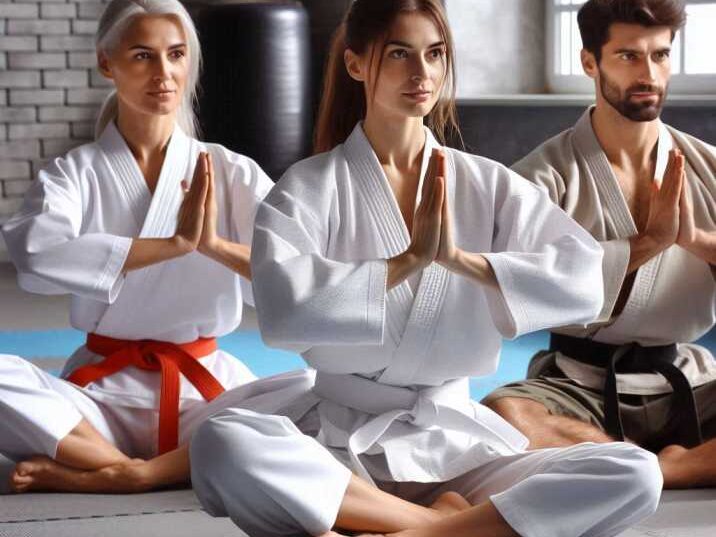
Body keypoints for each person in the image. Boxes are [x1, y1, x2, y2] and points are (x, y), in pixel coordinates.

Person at [189, 1, 663, 536]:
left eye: (434, 54)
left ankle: (415, 530)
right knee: (222, 442)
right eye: (399, 54)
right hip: (339, 445)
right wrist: (403, 263)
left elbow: (582, 277)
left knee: (635, 471)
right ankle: (441, 527)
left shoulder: (486, 183)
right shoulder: (309, 187)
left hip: (456, 445)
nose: (422, 74)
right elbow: (281, 305)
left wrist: (468, 263)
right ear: (356, 65)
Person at [0, 0, 298, 495]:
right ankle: (121, 463)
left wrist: (213, 245)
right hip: (96, 400)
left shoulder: (229, 171)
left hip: (206, 394)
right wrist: (169, 245)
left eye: (176, 54)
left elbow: (295, 272)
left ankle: (121, 474)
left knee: (312, 390)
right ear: (106, 62)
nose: (164, 73)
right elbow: (33, 253)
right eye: (142, 56)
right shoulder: (75, 173)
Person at [483, 0, 716, 490]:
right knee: (502, 416)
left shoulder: (707, 167)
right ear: (590, 61)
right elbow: (519, 295)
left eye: (660, 55)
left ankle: (646, 469)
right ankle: (681, 466)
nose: (649, 73)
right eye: (628, 56)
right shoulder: (540, 179)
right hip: (578, 386)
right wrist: (647, 243)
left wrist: (696, 241)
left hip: (690, 382)